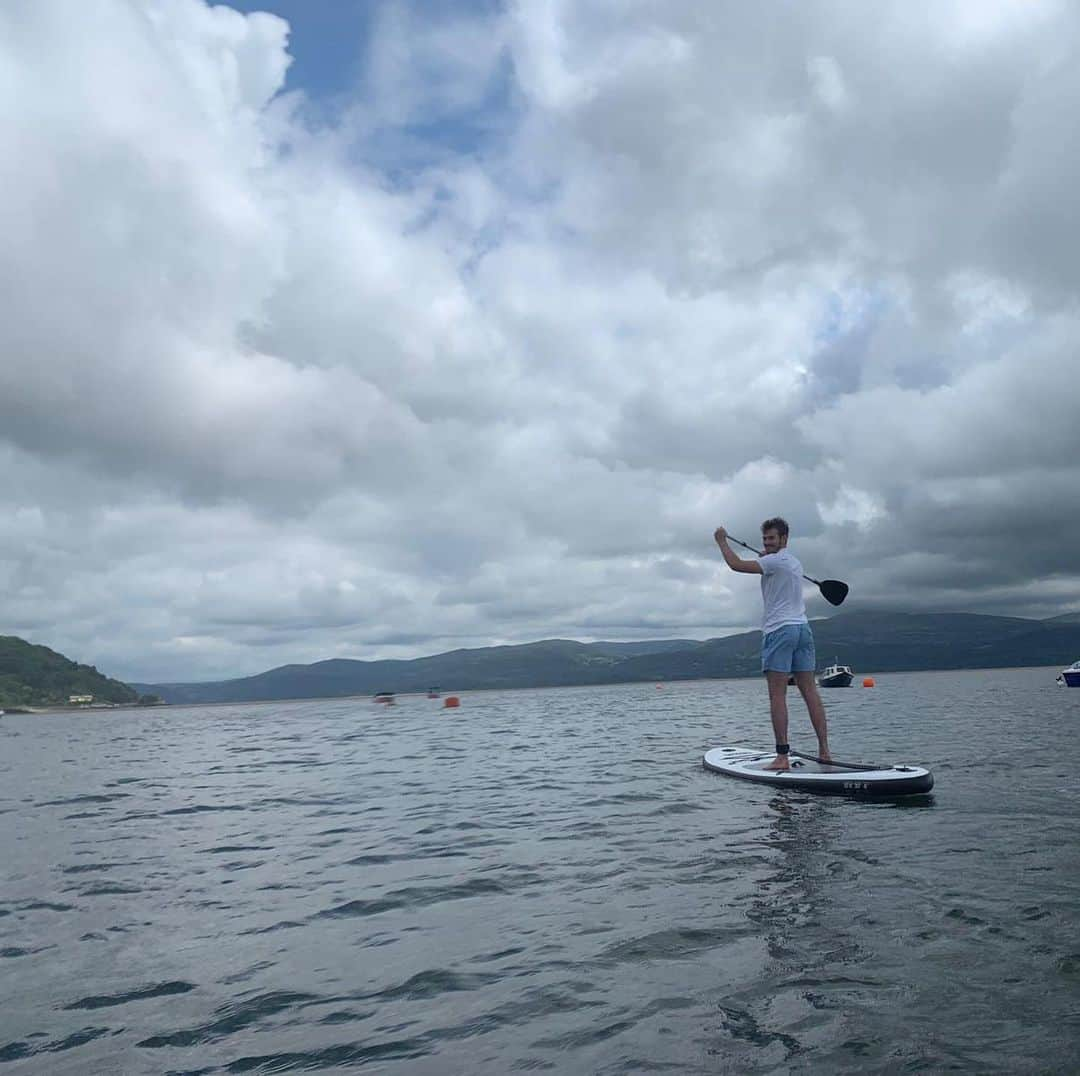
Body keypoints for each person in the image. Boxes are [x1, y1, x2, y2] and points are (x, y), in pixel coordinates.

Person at [713, 518, 831, 771]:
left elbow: (735, 565)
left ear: (784, 539)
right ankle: (824, 751)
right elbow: (773, 560)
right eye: (765, 539)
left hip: (779, 631)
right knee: (810, 692)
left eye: (772, 539)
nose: (767, 543)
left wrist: (722, 542)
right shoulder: (794, 562)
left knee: (777, 695)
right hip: (803, 630)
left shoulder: (772, 562)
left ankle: (781, 757)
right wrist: (769, 553)